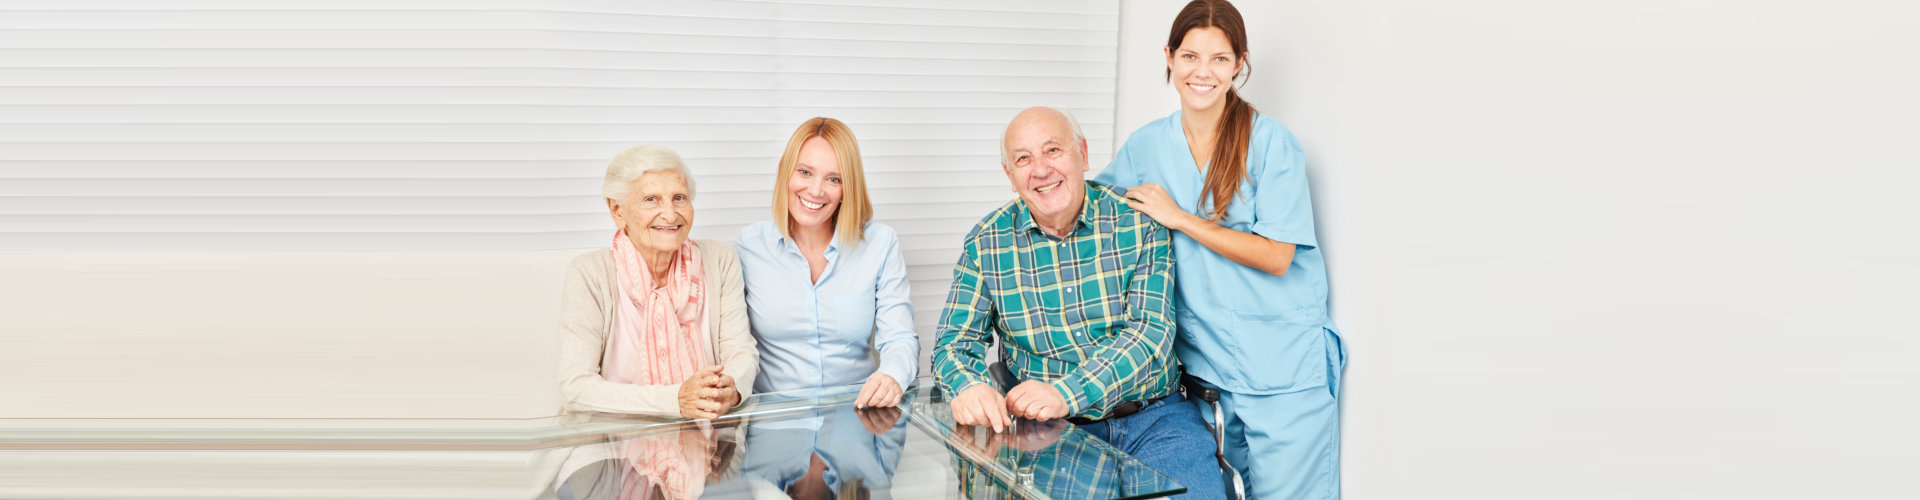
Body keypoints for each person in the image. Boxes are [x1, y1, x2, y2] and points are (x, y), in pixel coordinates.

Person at [1093, 1, 1348, 498]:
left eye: (1219, 59)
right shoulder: (1146, 145)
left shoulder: (1272, 143)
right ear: (1169, 58)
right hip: (1207, 372)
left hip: (1283, 369)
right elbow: (1094, 212)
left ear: (1239, 64)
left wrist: (1181, 220)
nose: (1202, 72)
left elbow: (1277, 256)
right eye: (1190, 56)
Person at [930, 107, 1226, 499]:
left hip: (1156, 418)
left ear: (1083, 155)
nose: (1040, 170)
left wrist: (1065, 393)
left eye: (1053, 150)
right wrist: (969, 386)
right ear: (1010, 175)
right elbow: (952, 343)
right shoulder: (987, 242)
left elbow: (1149, 333)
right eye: (1023, 159)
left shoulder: (1139, 222)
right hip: (1053, 433)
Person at [557, 145, 758, 419]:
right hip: (611, 445)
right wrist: (675, 400)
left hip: (711, 438)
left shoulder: (719, 259)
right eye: (651, 199)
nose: (670, 214)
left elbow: (741, 352)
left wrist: (731, 388)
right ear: (617, 210)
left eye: (679, 198)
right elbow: (576, 387)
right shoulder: (589, 273)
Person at [736, 117, 918, 408]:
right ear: (786, 174)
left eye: (834, 179)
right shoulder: (749, 246)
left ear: (848, 188)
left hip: (856, 418)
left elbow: (899, 337)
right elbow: (733, 350)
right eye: (805, 172)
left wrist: (892, 375)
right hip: (775, 427)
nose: (816, 190)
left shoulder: (880, 243)